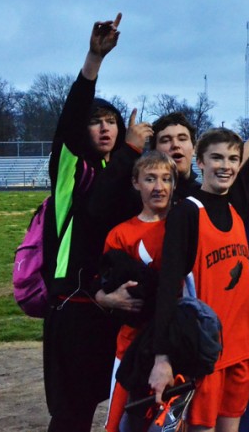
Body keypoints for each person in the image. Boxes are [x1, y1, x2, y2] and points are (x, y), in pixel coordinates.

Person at [147, 93, 249, 431]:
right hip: (204, 353)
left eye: (233, 159)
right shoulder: (188, 212)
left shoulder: (239, 205)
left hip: (241, 349)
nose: (226, 165)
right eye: (216, 158)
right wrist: (162, 358)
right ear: (200, 162)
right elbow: (167, 288)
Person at [42, 13, 133, 432]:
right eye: (96, 121)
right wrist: (94, 60)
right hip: (74, 307)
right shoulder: (69, 170)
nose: (104, 127)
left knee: (121, 406)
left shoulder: (123, 173)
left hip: (113, 309)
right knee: (73, 415)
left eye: (111, 120)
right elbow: (96, 206)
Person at [94, 151, 178, 432]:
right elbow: (102, 286)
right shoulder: (120, 234)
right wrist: (110, 299)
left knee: (168, 424)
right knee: (118, 424)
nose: (159, 186)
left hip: (173, 346)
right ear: (135, 182)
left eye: (166, 179)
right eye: (150, 178)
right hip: (128, 344)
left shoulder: (185, 225)